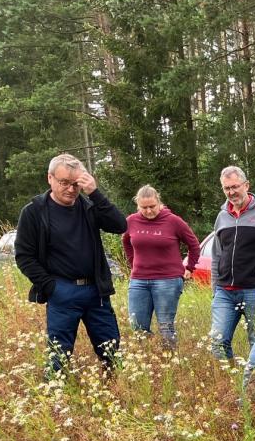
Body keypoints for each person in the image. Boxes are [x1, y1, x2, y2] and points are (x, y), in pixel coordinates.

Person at [14, 153, 128, 376]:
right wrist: (50, 287)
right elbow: (24, 256)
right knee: (59, 356)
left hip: (96, 291)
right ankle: (56, 400)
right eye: (64, 182)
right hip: (62, 291)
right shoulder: (34, 212)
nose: (70, 189)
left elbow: (119, 225)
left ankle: (119, 393)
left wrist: (95, 193)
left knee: (111, 351)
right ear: (50, 178)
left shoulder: (89, 206)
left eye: (75, 184)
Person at [208, 166, 255, 384]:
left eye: (235, 187)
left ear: (246, 186)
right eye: (226, 188)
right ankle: (231, 380)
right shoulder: (222, 217)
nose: (231, 192)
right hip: (224, 291)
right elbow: (217, 253)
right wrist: (214, 286)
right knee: (217, 341)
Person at [122, 185, 199, 348]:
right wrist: (133, 262)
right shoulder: (131, 221)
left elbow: (193, 244)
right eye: (144, 208)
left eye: (152, 207)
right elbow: (126, 241)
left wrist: (189, 267)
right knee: (137, 325)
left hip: (168, 280)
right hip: (139, 280)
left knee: (165, 326)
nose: (149, 211)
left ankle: (169, 359)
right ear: (138, 206)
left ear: (159, 203)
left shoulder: (173, 221)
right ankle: (147, 360)